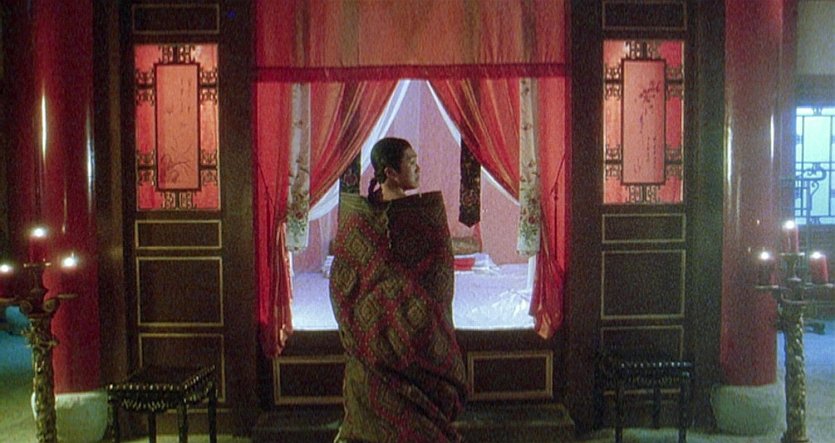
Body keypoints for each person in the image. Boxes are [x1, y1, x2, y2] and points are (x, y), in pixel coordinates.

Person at [329, 137, 467, 442]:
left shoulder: (425, 215)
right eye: (411, 161)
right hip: (374, 342)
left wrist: (412, 313)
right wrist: (375, 315)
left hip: (418, 336)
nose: (418, 167)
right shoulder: (361, 219)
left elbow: (439, 274)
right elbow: (343, 279)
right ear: (391, 172)